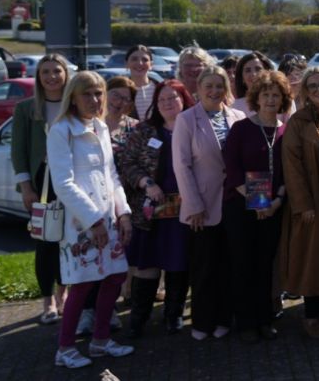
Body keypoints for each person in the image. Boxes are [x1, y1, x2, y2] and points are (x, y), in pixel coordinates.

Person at [48, 71, 135, 368]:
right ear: (72, 96)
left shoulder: (99, 127)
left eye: (99, 93)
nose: (95, 99)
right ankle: (65, 348)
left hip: (107, 219)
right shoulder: (61, 131)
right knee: (82, 284)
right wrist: (94, 220)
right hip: (81, 224)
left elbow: (111, 175)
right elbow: (63, 183)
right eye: (87, 93)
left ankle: (100, 340)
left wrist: (123, 212)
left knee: (114, 276)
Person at [172, 66, 246, 341]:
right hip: (201, 206)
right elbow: (182, 165)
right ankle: (202, 321)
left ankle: (224, 318)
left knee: (228, 266)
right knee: (204, 268)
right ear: (198, 89)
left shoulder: (238, 116)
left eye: (219, 86)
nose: (215, 91)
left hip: (234, 203)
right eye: (209, 86)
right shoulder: (187, 119)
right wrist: (193, 205)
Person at [118, 80, 196, 337]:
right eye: (161, 99)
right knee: (148, 264)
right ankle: (139, 319)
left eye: (173, 98)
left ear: (183, 99)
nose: (167, 104)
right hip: (150, 211)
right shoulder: (144, 131)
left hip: (183, 211)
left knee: (178, 263)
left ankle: (173, 315)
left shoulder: (194, 127)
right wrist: (146, 182)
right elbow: (128, 163)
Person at [222, 70, 289, 342]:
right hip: (241, 207)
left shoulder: (286, 131)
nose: (271, 99)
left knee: (265, 266)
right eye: (266, 94)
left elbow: (288, 173)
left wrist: (275, 202)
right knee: (243, 264)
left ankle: (265, 319)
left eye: (276, 95)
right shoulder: (241, 128)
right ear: (256, 98)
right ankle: (246, 322)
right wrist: (258, 202)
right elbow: (232, 169)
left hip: (274, 207)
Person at [278, 66, 319, 339]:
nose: (318, 90)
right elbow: (292, 166)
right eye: (312, 86)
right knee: (316, 260)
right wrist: (303, 204)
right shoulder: (299, 122)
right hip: (314, 201)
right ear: (305, 92)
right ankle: (313, 314)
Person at [11, 53, 69, 324]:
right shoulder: (26, 109)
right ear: (38, 76)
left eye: (56, 71)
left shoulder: (74, 105)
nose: (51, 77)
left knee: (68, 242)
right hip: (41, 184)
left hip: (70, 182)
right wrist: (26, 187)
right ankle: (47, 301)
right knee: (46, 244)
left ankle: (64, 295)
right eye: (45, 72)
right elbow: (19, 151)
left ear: (65, 74)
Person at [104, 76, 138, 155]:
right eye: (116, 95)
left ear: (130, 104)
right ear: (105, 92)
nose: (119, 101)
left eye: (125, 99)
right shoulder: (88, 124)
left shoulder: (136, 128)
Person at [231, 51, 272, 115]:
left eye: (258, 69)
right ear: (242, 78)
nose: (253, 74)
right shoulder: (235, 107)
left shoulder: (280, 102)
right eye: (248, 70)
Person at [124, 45, 158, 120]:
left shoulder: (160, 89)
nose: (140, 63)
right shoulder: (120, 90)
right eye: (134, 59)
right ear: (126, 64)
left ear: (151, 65)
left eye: (145, 60)